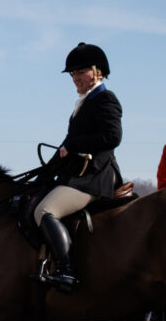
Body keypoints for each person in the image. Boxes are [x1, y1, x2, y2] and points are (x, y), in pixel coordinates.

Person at [34, 42, 124, 293]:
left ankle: (66, 270)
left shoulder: (105, 98)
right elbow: (66, 147)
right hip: (79, 174)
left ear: (97, 71)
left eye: (80, 71)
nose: (75, 78)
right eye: (72, 73)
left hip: (96, 175)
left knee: (45, 210)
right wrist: (41, 175)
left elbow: (113, 137)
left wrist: (74, 145)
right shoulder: (84, 102)